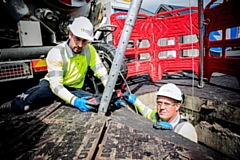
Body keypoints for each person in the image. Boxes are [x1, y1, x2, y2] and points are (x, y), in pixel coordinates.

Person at [0, 16, 122, 114]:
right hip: (51, 86)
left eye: (84, 41)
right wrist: (74, 101)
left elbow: (101, 72)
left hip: (74, 88)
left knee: (93, 103)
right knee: (24, 105)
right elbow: (56, 86)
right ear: (70, 34)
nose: (80, 45)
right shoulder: (56, 53)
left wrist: (109, 94)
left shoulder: (90, 50)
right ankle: (10, 105)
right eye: (77, 39)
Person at [123, 83, 198, 143]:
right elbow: (146, 112)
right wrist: (135, 102)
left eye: (167, 104)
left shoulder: (186, 130)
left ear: (177, 106)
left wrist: (172, 137)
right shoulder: (156, 116)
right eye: (159, 103)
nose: (162, 107)